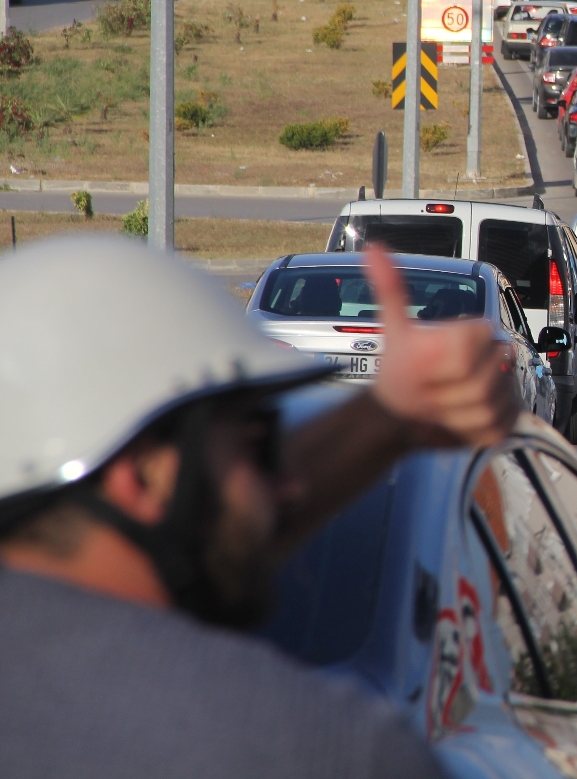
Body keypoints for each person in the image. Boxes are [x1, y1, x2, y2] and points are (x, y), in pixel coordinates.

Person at [0, 236, 521, 779]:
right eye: (258, 442)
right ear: (144, 475)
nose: (291, 485)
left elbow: (205, 525)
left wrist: (387, 420)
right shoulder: (316, 747)